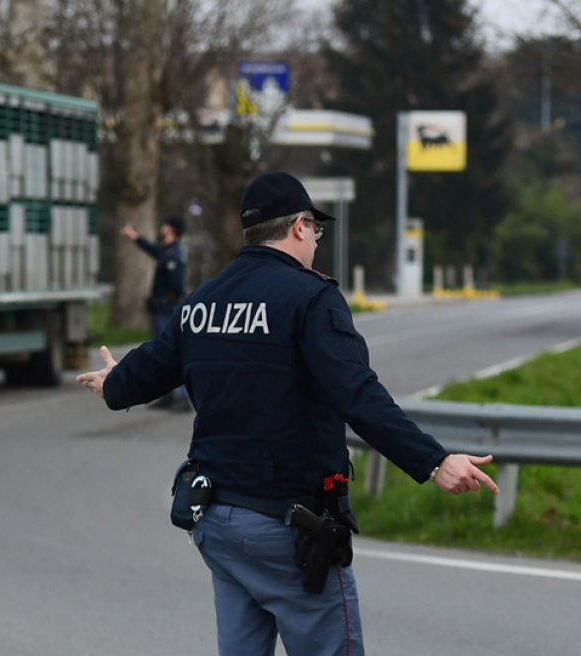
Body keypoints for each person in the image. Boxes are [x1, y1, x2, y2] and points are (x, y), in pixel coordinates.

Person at [78, 171, 499, 656]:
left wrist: (113, 382)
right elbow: (357, 393)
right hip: (288, 531)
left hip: (217, 521)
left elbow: (145, 372)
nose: (316, 242)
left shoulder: (201, 302)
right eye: (315, 231)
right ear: (299, 226)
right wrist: (433, 461)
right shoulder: (309, 298)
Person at [120, 216, 190, 410]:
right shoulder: (166, 251)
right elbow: (152, 250)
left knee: (173, 350)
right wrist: (134, 237)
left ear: (171, 229)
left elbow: (177, 283)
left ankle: (183, 397)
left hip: (167, 308)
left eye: (166, 224)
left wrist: (175, 297)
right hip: (160, 308)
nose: (162, 226)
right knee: (161, 353)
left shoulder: (174, 253)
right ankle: (166, 394)